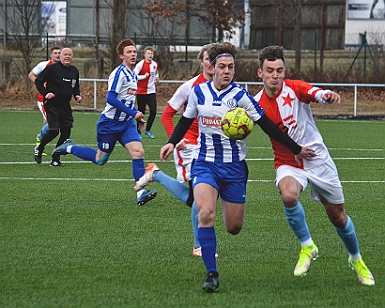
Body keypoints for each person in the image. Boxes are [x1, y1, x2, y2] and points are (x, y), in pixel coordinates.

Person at [159, 42, 315, 293]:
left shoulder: (241, 97)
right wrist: (171, 142)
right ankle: (211, 273)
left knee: (234, 227)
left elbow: (266, 125)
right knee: (206, 212)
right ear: (212, 68)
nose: (227, 71)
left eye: (231, 67)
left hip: (234, 169)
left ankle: (222, 201)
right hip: (205, 163)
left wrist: (295, 148)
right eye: (222, 66)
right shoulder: (199, 93)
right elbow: (186, 119)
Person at [254, 45, 375, 286]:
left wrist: (326, 95)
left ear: (283, 71)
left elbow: (314, 92)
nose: (275, 75)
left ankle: (356, 259)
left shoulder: (294, 88)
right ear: (260, 73)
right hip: (289, 161)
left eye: (279, 70)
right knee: (288, 195)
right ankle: (307, 246)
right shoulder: (255, 103)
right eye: (269, 71)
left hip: (317, 159)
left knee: (338, 217)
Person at [52, 38, 158, 206]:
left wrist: (137, 118)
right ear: (121, 56)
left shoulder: (133, 75)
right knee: (100, 160)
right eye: (129, 52)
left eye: (134, 52)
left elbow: (129, 100)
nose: (133, 54)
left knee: (138, 152)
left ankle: (141, 192)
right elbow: (111, 98)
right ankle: (68, 147)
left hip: (126, 124)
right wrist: (133, 112)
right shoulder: (118, 73)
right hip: (109, 124)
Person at [134, 44, 215, 257]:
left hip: (211, 147)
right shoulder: (190, 86)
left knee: (201, 198)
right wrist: (175, 140)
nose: (213, 64)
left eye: (216, 60)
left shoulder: (222, 87)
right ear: (202, 62)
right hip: (189, 145)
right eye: (209, 60)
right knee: (200, 199)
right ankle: (199, 246)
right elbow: (166, 114)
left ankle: (156, 174)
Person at [34, 47, 82, 167]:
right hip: (52, 105)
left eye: (69, 55)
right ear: (60, 57)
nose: (67, 57)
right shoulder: (51, 69)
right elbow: (38, 81)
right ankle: (40, 148)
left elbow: (75, 86)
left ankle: (55, 158)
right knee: (53, 131)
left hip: (65, 106)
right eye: (64, 54)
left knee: (66, 133)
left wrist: (77, 95)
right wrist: (46, 93)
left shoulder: (74, 71)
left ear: (72, 57)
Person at [29, 46, 62, 154]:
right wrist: (42, 87)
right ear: (51, 55)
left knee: (52, 120)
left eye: (59, 53)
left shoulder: (63, 67)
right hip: (44, 99)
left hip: (57, 100)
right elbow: (31, 75)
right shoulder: (44, 65)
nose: (57, 55)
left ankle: (41, 144)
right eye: (55, 53)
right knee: (49, 120)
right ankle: (39, 142)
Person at [134, 46, 159, 139]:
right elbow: (134, 76)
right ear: (145, 55)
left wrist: (157, 77)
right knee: (141, 113)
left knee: (153, 111)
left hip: (151, 91)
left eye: (151, 54)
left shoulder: (155, 64)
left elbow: (156, 72)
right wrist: (144, 76)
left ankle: (148, 129)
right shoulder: (140, 65)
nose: (150, 55)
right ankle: (138, 131)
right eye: (148, 53)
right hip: (141, 92)